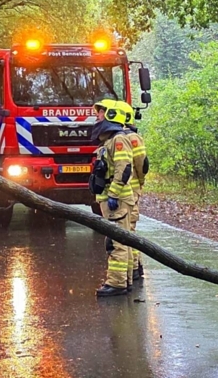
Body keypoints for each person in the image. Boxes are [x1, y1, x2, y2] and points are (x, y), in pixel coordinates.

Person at [89, 99, 136, 297]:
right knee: (119, 240)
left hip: (116, 201)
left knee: (116, 243)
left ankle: (116, 284)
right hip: (112, 199)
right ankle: (123, 281)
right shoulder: (109, 141)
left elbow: (124, 168)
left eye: (100, 113)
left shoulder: (118, 140)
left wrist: (114, 194)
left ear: (110, 116)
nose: (97, 117)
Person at [114, 100, 148, 282]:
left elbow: (141, 165)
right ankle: (135, 266)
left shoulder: (126, 138)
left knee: (127, 229)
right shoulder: (128, 136)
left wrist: (138, 184)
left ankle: (132, 269)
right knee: (130, 228)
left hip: (128, 189)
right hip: (132, 188)